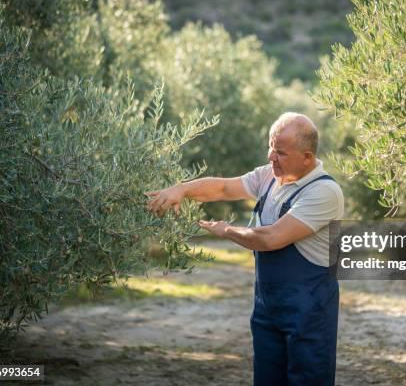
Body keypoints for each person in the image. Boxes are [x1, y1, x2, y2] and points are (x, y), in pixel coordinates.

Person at [145, 112, 344, 386]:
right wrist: (182, 189)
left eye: (281, 153)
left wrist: (226, 230)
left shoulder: (324, 192)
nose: (272, 158)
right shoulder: (269, 176)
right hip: (267, 308)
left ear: (307, 157)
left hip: (310, 312)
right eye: (271, 148)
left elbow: (271, 238)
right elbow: (225, 188)